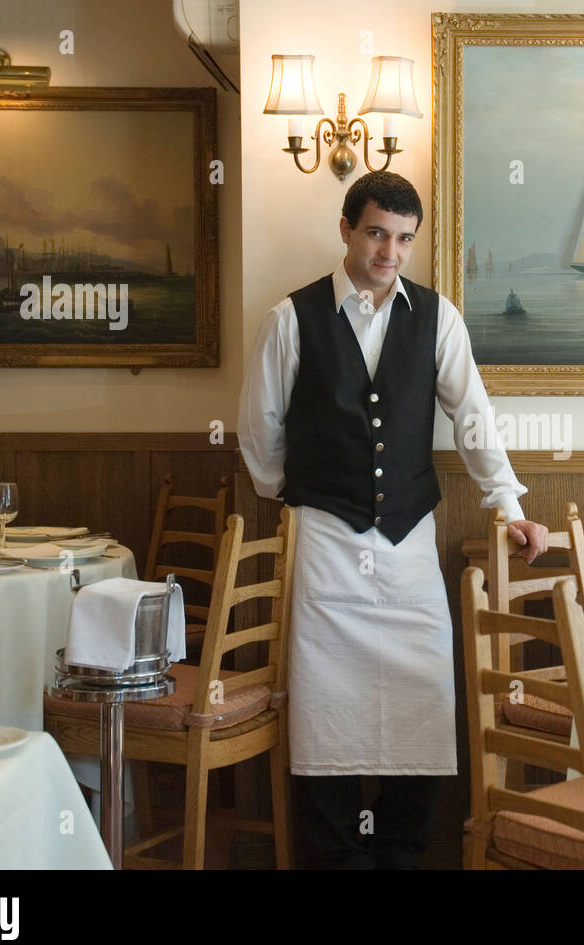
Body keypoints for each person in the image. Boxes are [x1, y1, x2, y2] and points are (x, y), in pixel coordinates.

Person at [237, 171, 548, 868]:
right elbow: (258, 433)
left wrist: (509, 506)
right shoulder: (290, 319)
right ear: (347, 228)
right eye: (377, 232)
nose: (390, 251)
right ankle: (340, 858)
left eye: (404, 238)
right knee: (328, 709)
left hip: (408, 548)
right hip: (325, 543)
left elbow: (473, 419)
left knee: (421, 701)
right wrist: (304, 491)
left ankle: (403, 853)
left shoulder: (439, 318)